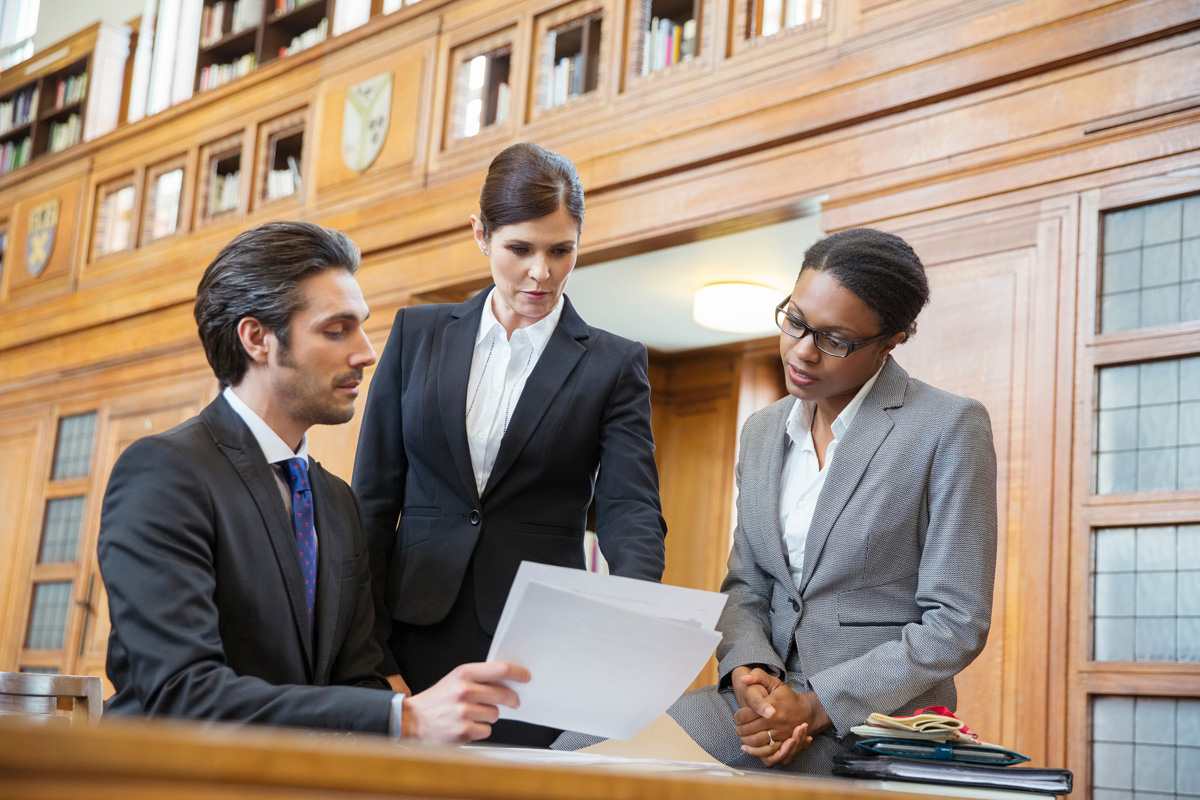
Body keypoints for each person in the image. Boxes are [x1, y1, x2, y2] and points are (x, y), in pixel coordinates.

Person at [561, 227, 998, 771]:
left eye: (835, 340)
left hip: (870, 722)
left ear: (892, 340)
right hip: (758, 705)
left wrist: (814, 707)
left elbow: (956, 622)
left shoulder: (947, 426)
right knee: (571, 749)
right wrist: (750, 673)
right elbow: (746, 584)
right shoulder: (764, 430)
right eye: (795, 322)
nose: (803, 352)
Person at [99, 221, 528, 739]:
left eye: (363, 326)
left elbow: (356, 677)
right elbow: (183, 692)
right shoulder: (165, 473)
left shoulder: (335, 500)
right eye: (336, 329)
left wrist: (443, 724)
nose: (367, 352)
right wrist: (404, 717)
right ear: (257, 338)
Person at [353, 143, 667, 746]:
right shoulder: (416, 335)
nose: (540, 272)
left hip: (536, 644)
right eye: (520, 249)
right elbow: (372, 499)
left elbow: (630, 507)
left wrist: (637, 616)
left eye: (561, 250)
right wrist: (364, 650)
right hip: (410, 630)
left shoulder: (613, 363)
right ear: (481, 234)